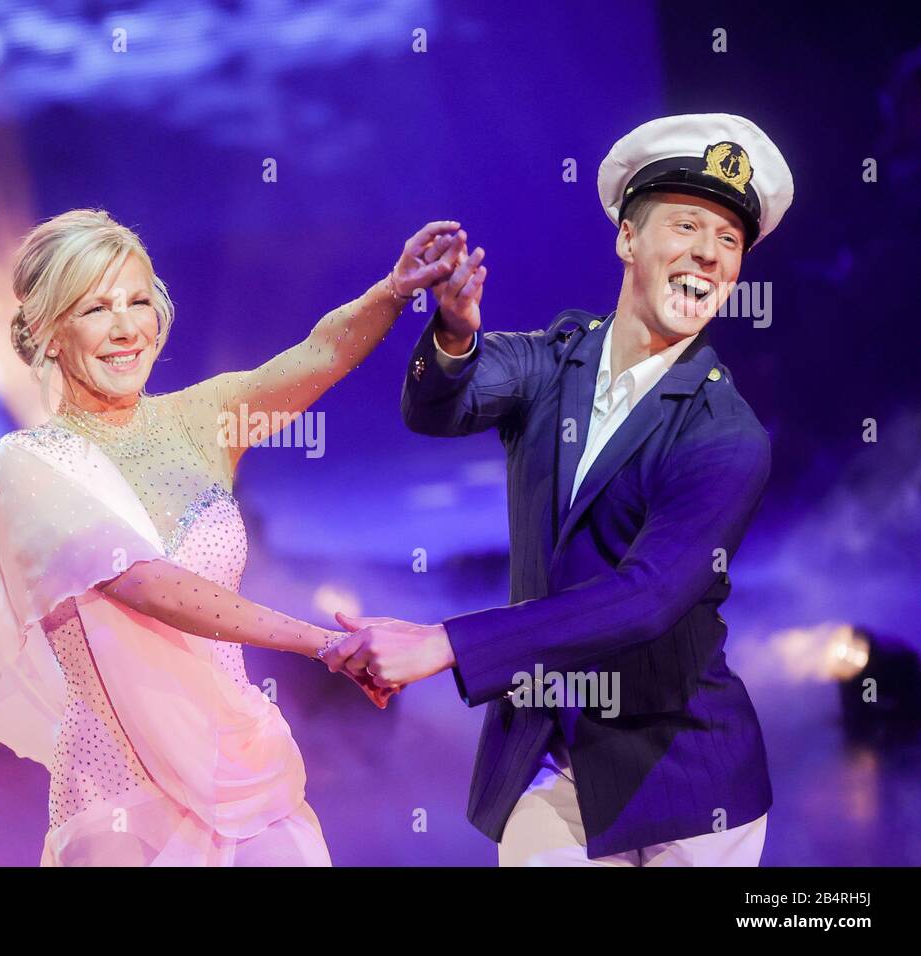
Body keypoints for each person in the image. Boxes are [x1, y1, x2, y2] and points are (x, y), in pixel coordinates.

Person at [323, 114, 793, 866]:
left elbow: (647, 597)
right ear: (628, 239)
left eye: (729, 241)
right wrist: (453, 332)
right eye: (686, 225)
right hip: (554, 757)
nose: (708, 253)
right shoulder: (551, 362)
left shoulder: (725, 433)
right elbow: (439, 407)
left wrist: (447, 642)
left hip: (685, 782)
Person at [0, 209, 461, 866]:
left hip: (246, 775)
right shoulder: (23, 465)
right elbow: (144, 582)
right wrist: (326, 643)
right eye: (95, 309)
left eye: (139, 301)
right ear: (49, 334)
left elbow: (319, 354)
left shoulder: (204, 418)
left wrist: (394, 291)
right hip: (121, 802)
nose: (126, 326)